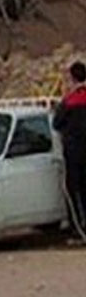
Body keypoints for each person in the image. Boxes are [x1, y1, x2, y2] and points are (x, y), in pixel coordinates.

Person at [53, 61, 86, 229]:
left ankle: (78, 228)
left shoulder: (70, 101)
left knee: (74, 189)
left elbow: (56, 123)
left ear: (72, 78)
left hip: (74, 152)